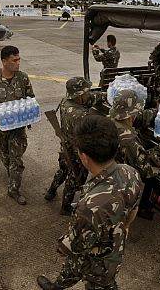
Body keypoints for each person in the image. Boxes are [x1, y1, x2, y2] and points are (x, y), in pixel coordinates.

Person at [37, 115, 142, 290]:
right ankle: (57, 286)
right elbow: (133, 210)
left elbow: (71, 246)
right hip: (114, 250)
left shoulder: (88, 208)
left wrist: (62, 245)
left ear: (84, 157)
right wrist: (124, 228)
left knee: (94, 279)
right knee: (73, 270)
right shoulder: (131, 173)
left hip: (97, 263)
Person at [109, 89, 160, 220]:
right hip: (120, 183)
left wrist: (157, 110)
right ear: (131, 114)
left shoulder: (111, 120)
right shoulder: (128, 141)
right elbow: (148, 168)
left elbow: (140, 118)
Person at [0, 45, 35, 205]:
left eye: (19, 59)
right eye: (14, 60)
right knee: (6, 158)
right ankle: (11, 172)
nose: (18, 63)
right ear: (4, 61)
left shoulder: (23, 78)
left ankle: (14, 190)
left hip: (18, 129)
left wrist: (30, 112)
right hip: (0, 130)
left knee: (16, 160)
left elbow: (30, 98)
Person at [44, 77, 106, 215]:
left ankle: (50, 192)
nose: (88, 93)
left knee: (63, 169)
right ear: (79, 95)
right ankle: (65, 207)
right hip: (76, 151)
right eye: (86, 92)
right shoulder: (80, 115)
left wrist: (106, 95)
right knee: (75, 177)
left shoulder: (65, 102)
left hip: (65, 145)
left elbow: (91, 98)